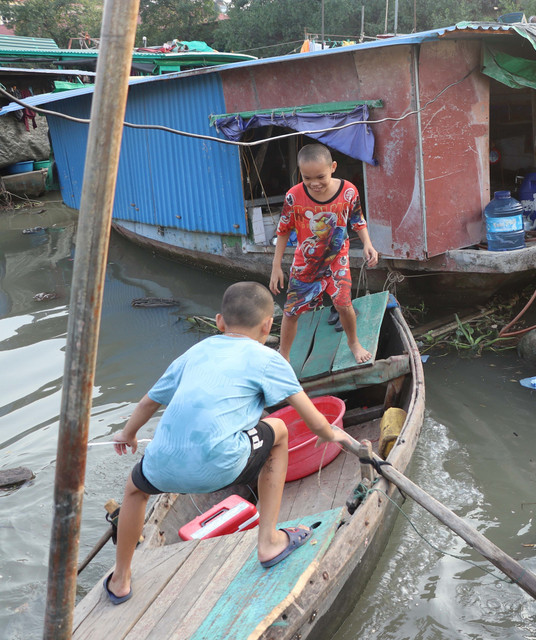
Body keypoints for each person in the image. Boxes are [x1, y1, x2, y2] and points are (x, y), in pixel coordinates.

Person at [104, 282, 353, 605]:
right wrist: (334, 435)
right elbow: (314, 420)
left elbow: (148, 403)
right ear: (268, 326)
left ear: (220, 322)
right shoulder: (269, 359)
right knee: (278, 429)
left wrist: (127, 434)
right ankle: (269, 541)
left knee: (134, 490)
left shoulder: (195, 352)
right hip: (222, 466)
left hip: (162, 465)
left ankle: (121, 578)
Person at [270, 143, 379, 364]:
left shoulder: (348, 191)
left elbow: (357, 220)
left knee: (343, 304)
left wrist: (368, 244)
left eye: (320, 176)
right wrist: (276, 266)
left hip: (337, 259)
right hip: (306, 262)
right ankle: (284, 355)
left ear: (333, 167)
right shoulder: (294, 196)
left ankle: (354, 343)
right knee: (291, 312)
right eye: (307, 178)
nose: (314, 183)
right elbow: (283, 230)